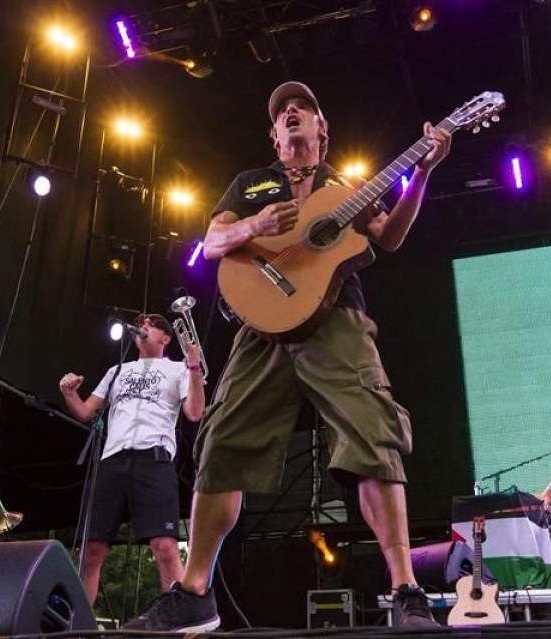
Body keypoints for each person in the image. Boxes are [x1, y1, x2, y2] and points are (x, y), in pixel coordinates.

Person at [124, 81, 452, 631]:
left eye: (304, 108)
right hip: (262, 326)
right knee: (221, 441)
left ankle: (405, 591)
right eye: (283, 112)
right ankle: (194, 592)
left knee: (374, 436)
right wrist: (255, 224)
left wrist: (421, 173)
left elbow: (389, 235)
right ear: (274, 136)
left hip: (337, 318)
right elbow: (213, 242)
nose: (292, 112)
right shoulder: (250, 183)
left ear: (322, 129)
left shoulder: (347, 186)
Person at [58, 313, 205, 605]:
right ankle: (77, 624)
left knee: (164, 547)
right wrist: (68, 392)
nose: (143, 327)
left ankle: (180, 617)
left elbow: (195, 412)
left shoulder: (177, 369)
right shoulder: (117, 370)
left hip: (154, 457)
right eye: (141, 324)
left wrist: (194, 367)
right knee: (90, 551)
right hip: (112, 458)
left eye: (151, 324)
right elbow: (86, 412)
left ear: (165, 338)